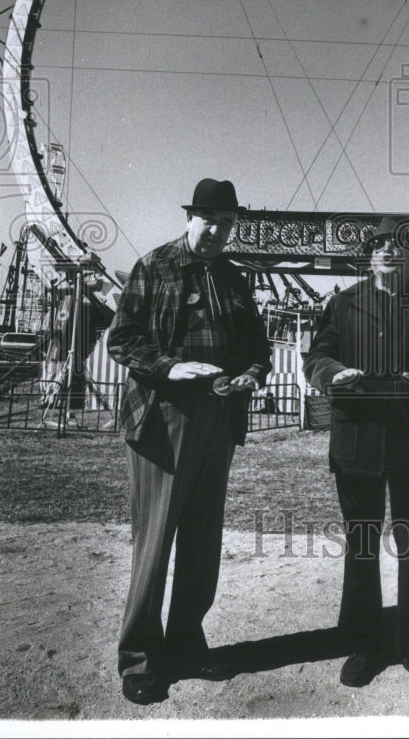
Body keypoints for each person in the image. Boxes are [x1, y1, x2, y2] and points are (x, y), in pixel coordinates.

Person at [108, 178, 271, 705]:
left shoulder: (234, 277)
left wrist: (252, 372)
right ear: (189, 218)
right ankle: (140, 657)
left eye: (226, 223)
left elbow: (257, 346)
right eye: (209, 221)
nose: (217, 230)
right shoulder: (154, 265)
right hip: (163, 416)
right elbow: (123, 339)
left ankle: (186, 642)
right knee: (155, 542)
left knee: (202, 540)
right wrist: (171, 367)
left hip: (219, 417)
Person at [303, 216, 409, 699]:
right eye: (379, 244)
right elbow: (315, 357)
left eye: (398, 246)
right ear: (369, 253)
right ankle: (365, 645)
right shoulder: (343, 303)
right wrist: (332, 373)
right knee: (361, 543)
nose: (387, 252)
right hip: (356, 442)